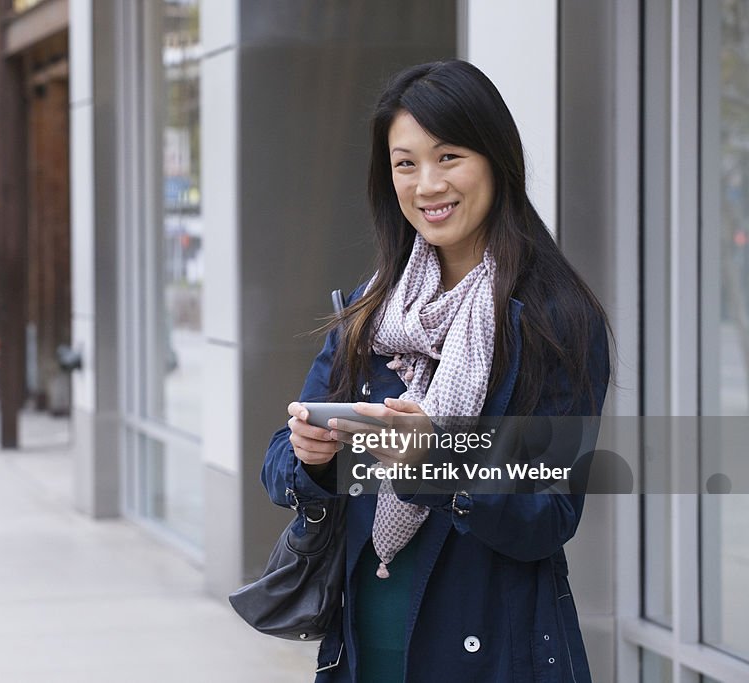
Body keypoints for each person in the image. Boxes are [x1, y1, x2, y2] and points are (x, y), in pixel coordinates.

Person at [261, 60, 611, 682]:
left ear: (496, 160)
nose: (426, 185)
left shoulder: (556, 320)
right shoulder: (371, 308)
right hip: (363, 647)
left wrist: (440, 464)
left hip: (495, 655)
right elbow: (280, 466)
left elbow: (551, 518)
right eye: (405, 163)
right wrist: (312, 457)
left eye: (448, 157)